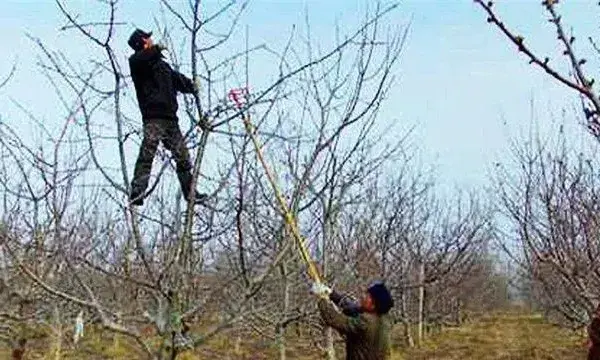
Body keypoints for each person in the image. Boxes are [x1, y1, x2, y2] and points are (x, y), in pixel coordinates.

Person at [127, 28, 207, 206]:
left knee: (183, 157)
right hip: (153, 118)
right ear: (143, 42)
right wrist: (157, 49)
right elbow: (143, 57)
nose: (152, 39)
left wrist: (192, 85)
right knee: (147, 154)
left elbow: (176, 80)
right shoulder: (137, 62)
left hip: (171, 120)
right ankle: (137, 192)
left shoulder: (162, 66)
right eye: (148, 38)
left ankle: (191, 193)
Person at [311, 280, 394, 360]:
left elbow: (335, 319)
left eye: (368, 296)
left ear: (374, 304)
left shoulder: (366, 322)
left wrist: (322, 298)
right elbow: (352, 307)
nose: (363, 296)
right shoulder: (382, 317)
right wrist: (331, 293)